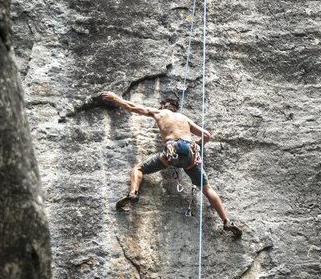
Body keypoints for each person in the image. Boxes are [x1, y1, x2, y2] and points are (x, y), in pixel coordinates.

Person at [100, 91, 242, 237]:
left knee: (139, 168)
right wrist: (197, 144)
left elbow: (132, 107)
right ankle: (226, 221)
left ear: (164, 105)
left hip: (172, 151)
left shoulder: (160, 113)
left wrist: (115, 98)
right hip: (191, 155)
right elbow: (207, 135)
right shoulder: (184, 118)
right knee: (207, 188)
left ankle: (133, 193)